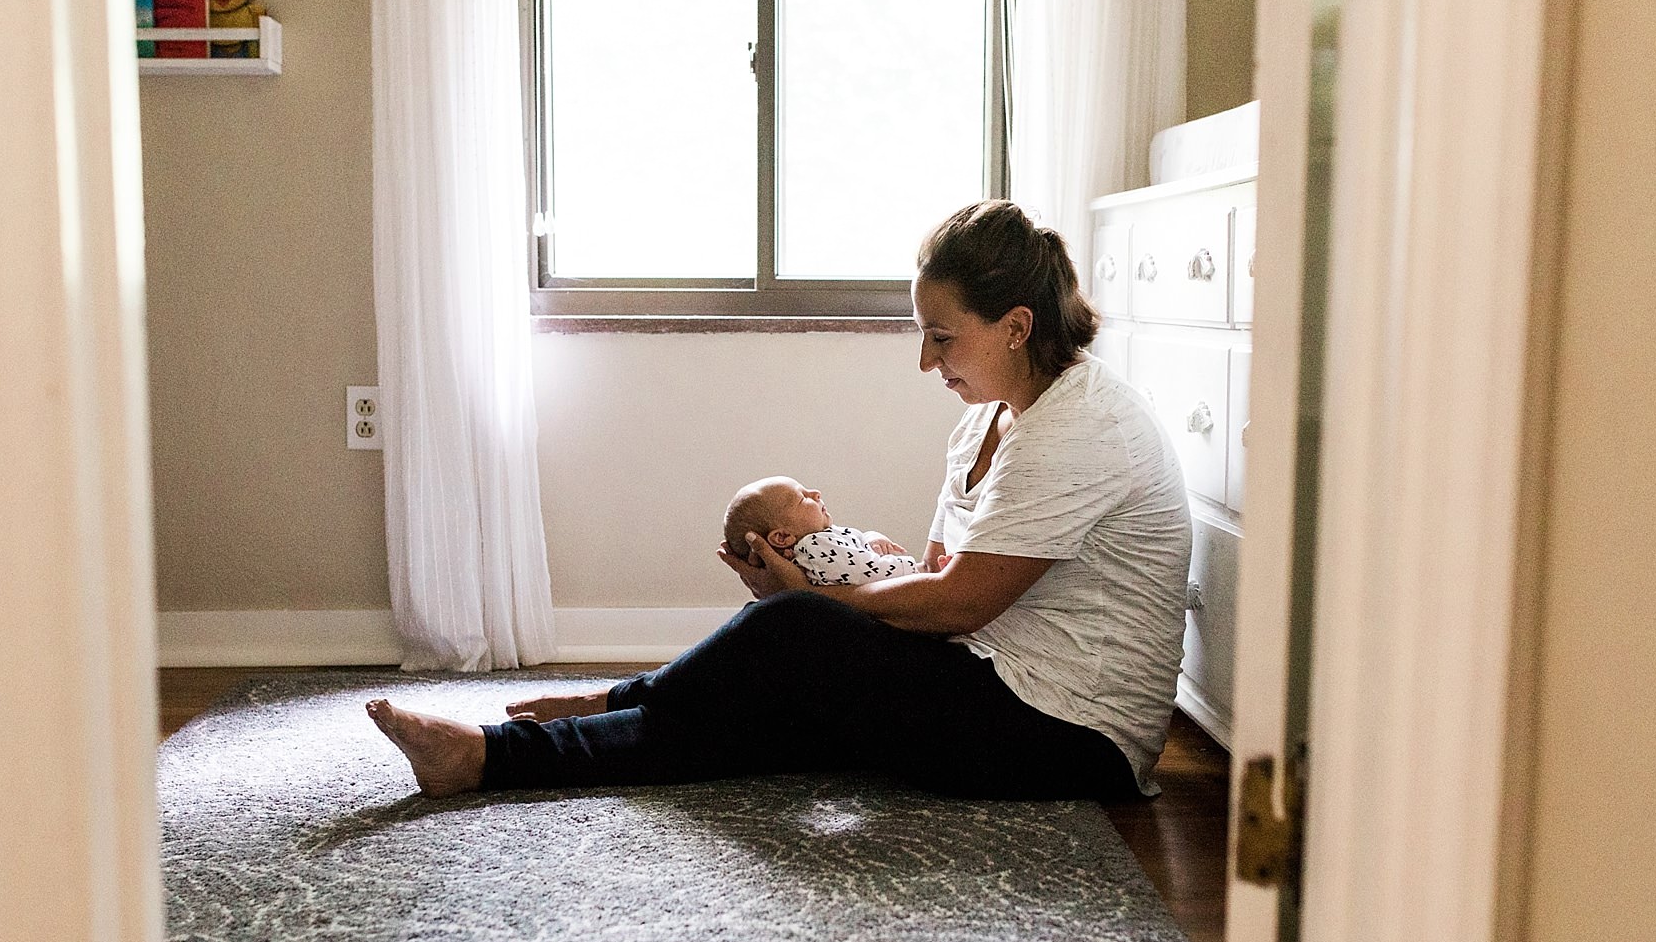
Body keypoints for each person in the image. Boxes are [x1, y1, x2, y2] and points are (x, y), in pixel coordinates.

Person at [367, 200, 1193, 804]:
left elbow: (958, 599)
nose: (924, 360)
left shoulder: (1083, 427)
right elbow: (935, 572)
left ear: (1016, 326)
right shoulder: (985, 422)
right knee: (770, 693)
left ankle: (583, 715)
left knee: (796, 635)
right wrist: (835, 590)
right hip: (990, 681)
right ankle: (492, 755)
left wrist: (812, 598)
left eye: (942, 338)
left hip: (1074, 737)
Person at [722, 475, 922, 586]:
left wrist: (870, 538)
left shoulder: (821, 541)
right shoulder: (815, 546)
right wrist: (921, 570)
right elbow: (872, 573)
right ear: (782, 537)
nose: (816, 493)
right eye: (803, 498)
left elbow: (854, 553)